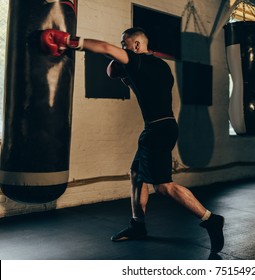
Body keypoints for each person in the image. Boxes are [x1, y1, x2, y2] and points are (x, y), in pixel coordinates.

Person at [40, 27, 225, 253]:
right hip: (162, 127)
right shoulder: (161, 66)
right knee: (136, 174)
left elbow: (107, 50)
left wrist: (70, 41)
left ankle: (210, 218)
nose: (122, 48)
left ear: (136, 46)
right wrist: (124, 70)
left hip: (157, 131)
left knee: (164, 186)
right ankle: (138, 225)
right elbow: (116, 72)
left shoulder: (137, 61)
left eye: (124, 43)